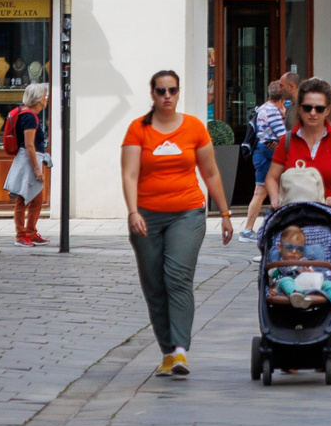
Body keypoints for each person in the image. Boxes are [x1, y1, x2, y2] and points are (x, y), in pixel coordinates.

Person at [123, 69, 231, 378]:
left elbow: (210, 172)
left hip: (188, 212)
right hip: (147, 215)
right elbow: (129, 174)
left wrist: (224, 214)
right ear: (152, 94)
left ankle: (181, 350)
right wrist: (133, 212)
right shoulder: (137, 130)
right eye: (161, 91)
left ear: (179, 92)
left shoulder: (194, 128)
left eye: (172, 90)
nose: (167, 96)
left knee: (176, 277)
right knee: (154, 284)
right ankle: (168, 352)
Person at [266, 78, 331, 215]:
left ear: (328, 110)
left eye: (319, 109)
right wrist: (275, 198)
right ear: (299, 109)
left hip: (329, 216)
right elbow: (271, 177)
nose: (313, 113)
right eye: (307, 108)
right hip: (293, 215)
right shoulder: (287, 140)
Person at [266, 222, 331, 328]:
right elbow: (272, 279)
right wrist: (272, 288)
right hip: (285, 290)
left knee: (330, 285)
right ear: (280, 247)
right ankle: (296, 295)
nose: (294, 251)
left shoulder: (305, 261)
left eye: (299, 249)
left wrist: (311, 273)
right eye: (289, 247)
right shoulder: (277, 264)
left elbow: (315, 276)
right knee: (286, 280)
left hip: (308, 288)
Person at [3, 82, 51, 246]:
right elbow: (29, 145)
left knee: (37, 199)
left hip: (30, 158)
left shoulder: (27, 114)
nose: (47, 98)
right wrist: (37, 169)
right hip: (29, 161)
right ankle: (21, 235)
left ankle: (30, 232)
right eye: (45, 96)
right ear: (38, 99)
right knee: (23, 199)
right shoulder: (30, 117)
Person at [242, 80, 288, 234]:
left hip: (262, 151)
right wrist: (282, 116)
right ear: (282, 100)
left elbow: (264, 132)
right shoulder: (273, 112)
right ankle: (248, 230)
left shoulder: (262, 109)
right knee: (260, 192)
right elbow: (282, 137)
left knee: (268, 191)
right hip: (268, 154)